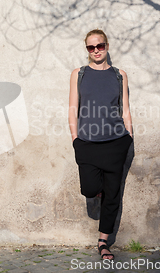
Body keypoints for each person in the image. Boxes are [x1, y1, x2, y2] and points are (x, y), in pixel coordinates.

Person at [68, 29, 133, 260]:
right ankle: (100, 190)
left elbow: (125, 109)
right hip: (87, 142)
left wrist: (129, 138)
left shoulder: (120, 75)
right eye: (91, 47)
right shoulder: (79, 74)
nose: (96, 51)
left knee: (113, 195)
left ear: (107, 46)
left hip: (116, 142)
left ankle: (104, 242)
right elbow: (73, 109)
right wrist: (75, 140)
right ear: (87, 50)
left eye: (100, 46)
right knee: (88, 188)